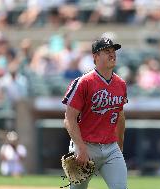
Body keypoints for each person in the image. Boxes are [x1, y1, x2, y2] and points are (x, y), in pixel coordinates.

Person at [62, 37, 128, 189]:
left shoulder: (121, 84)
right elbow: (69, 119)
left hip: (111, 148)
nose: (112, 55)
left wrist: (119, 146)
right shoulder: (83, 83)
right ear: (95, 57)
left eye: (113, 51)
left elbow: (120, 117)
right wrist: (80, 148)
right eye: (107, 51)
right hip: (86, 145)